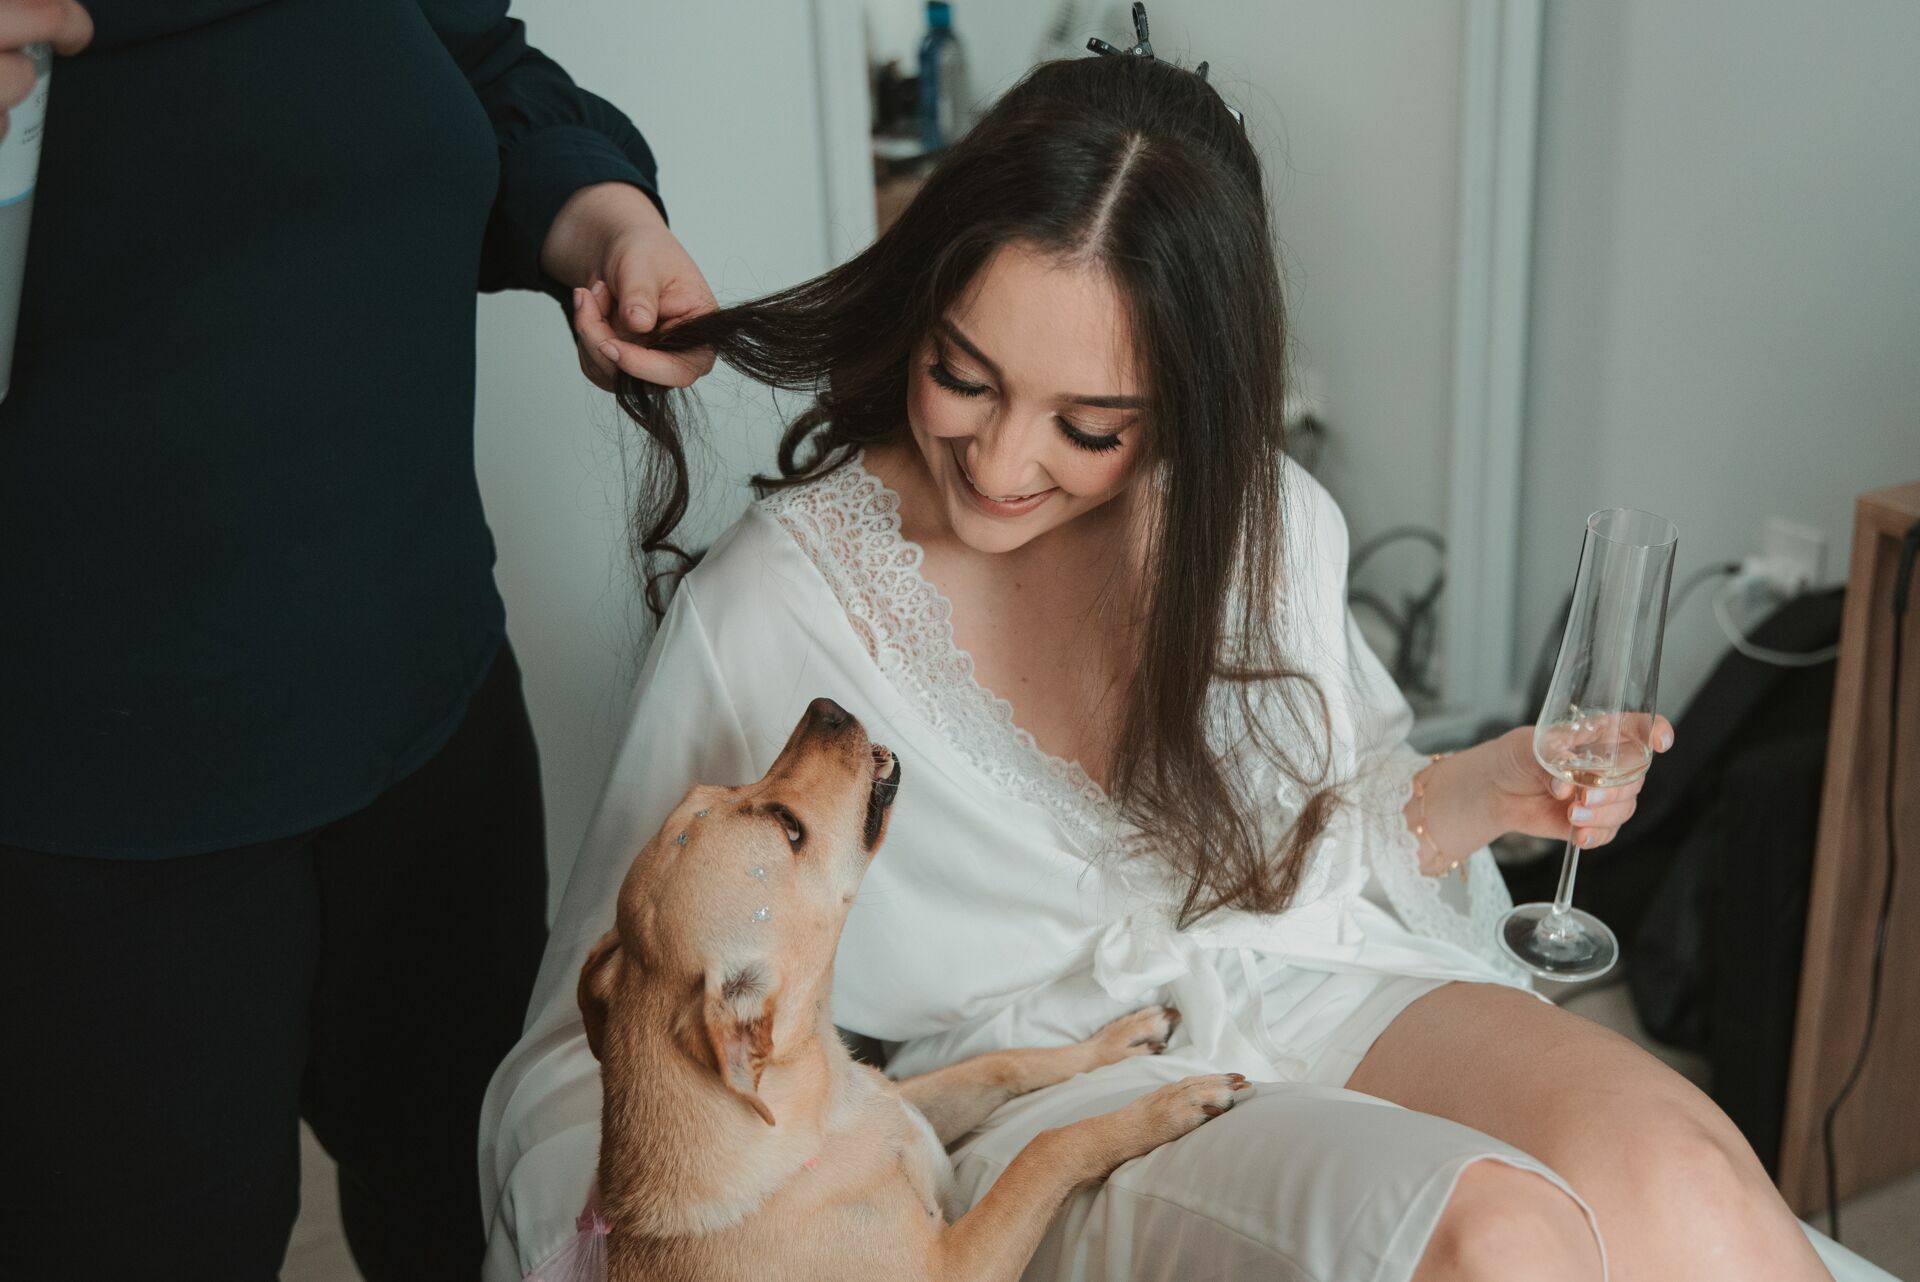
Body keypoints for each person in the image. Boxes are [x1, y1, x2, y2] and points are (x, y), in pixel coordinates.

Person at [479, 52, 1832, 1282]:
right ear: (919, 310)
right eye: (963, 375)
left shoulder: (1255, 523)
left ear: (1185, 401)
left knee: (1692, 1183)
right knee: (1500, 1239)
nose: (1004, 466)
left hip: (1314, 975)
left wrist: (1490, 787)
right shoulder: (777, 607)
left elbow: (1322, 833)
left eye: (1087, 424)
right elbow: (582, 1047)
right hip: (1055, 1094)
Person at [0, 1, 714, 1278]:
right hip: (100, 822)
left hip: (431, 725)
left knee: (482, 1205)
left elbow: (477, 65)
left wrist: (609, 221)